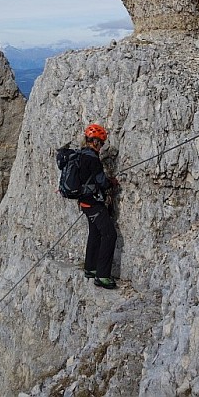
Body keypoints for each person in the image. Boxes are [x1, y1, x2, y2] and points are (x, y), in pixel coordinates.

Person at [78, 124, 118, 290]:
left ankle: (90, 268)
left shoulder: (79, 155)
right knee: (109, 234)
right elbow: (101, 181)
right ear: (94, 141)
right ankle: (102, 276)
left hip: (83, 201)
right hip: (93, 203)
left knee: (95, 233)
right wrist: (111, 182)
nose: (101, 147)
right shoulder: (92, 158)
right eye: (100, 143)